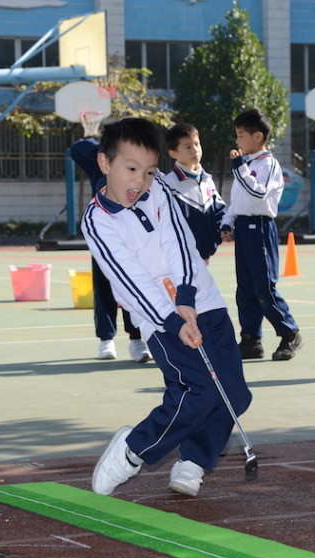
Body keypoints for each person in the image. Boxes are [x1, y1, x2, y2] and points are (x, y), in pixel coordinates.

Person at [81, 117, 252, 497]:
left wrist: (188, 298)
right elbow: (132, 280)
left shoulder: (158, 190)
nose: (140, 180)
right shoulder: (97, 222)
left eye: (149, 170)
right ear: (105, 164)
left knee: (235, 394)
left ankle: (192, 461)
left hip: (203, 300)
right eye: (130, 169)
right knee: (199, 391)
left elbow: (179, 242)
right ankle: (132, 450)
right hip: (159, 321)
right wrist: (174, 319)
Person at [220, 108, 303, 361]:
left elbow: (258, 194)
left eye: (241, 135)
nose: (238, 141)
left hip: (260, 228)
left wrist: (240, 169)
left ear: (258, 137)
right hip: (244, 229)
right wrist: (228, 221)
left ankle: (289, 332)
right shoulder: (245, 165)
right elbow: (237, 201)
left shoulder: (268, 164)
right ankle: (251, 340)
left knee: (264, 288)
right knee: (245, 289)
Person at [69, 136, 151, 363]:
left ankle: (137, 340)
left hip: (130, 241)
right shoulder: (100, 166)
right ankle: (106, 340)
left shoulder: (138, 170)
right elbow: (76, 149)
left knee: (130, 289)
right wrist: (94, 137)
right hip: (103, 240)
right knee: (103, 289)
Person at [163, 122, 225, 261]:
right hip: (180, 258)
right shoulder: (169, 184)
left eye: (197, 144)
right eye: (188, 147)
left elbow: (220, 211)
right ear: (173, 153)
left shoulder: (207, 180)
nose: (195, 150)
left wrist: (224, 228)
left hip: (204, 256)